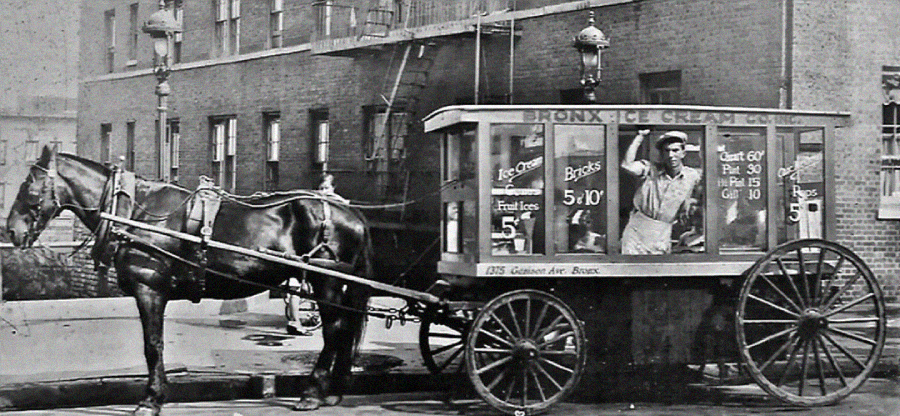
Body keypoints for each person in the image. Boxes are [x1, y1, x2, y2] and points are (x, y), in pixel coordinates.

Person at [620, 130, 701, 254]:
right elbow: (627, 165)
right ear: (662, 154)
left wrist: (689, 202)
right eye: (666, 151)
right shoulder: (650, 169)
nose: (671, 155)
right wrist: (640, 136)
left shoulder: (692, 176)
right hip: (637, 231)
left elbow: (700, 198)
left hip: (663, 233)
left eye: (675, 150)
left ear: (683, 153)